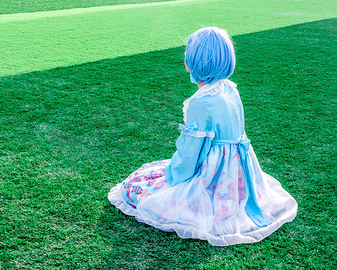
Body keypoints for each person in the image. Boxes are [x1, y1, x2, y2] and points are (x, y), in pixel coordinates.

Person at [108, 27, 298, 246]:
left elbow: (190, 156)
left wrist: (172, 176)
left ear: (192, 63)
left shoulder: (201, 102)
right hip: (239, 172)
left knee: (140, 188)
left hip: (215, 176)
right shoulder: (229, 89)